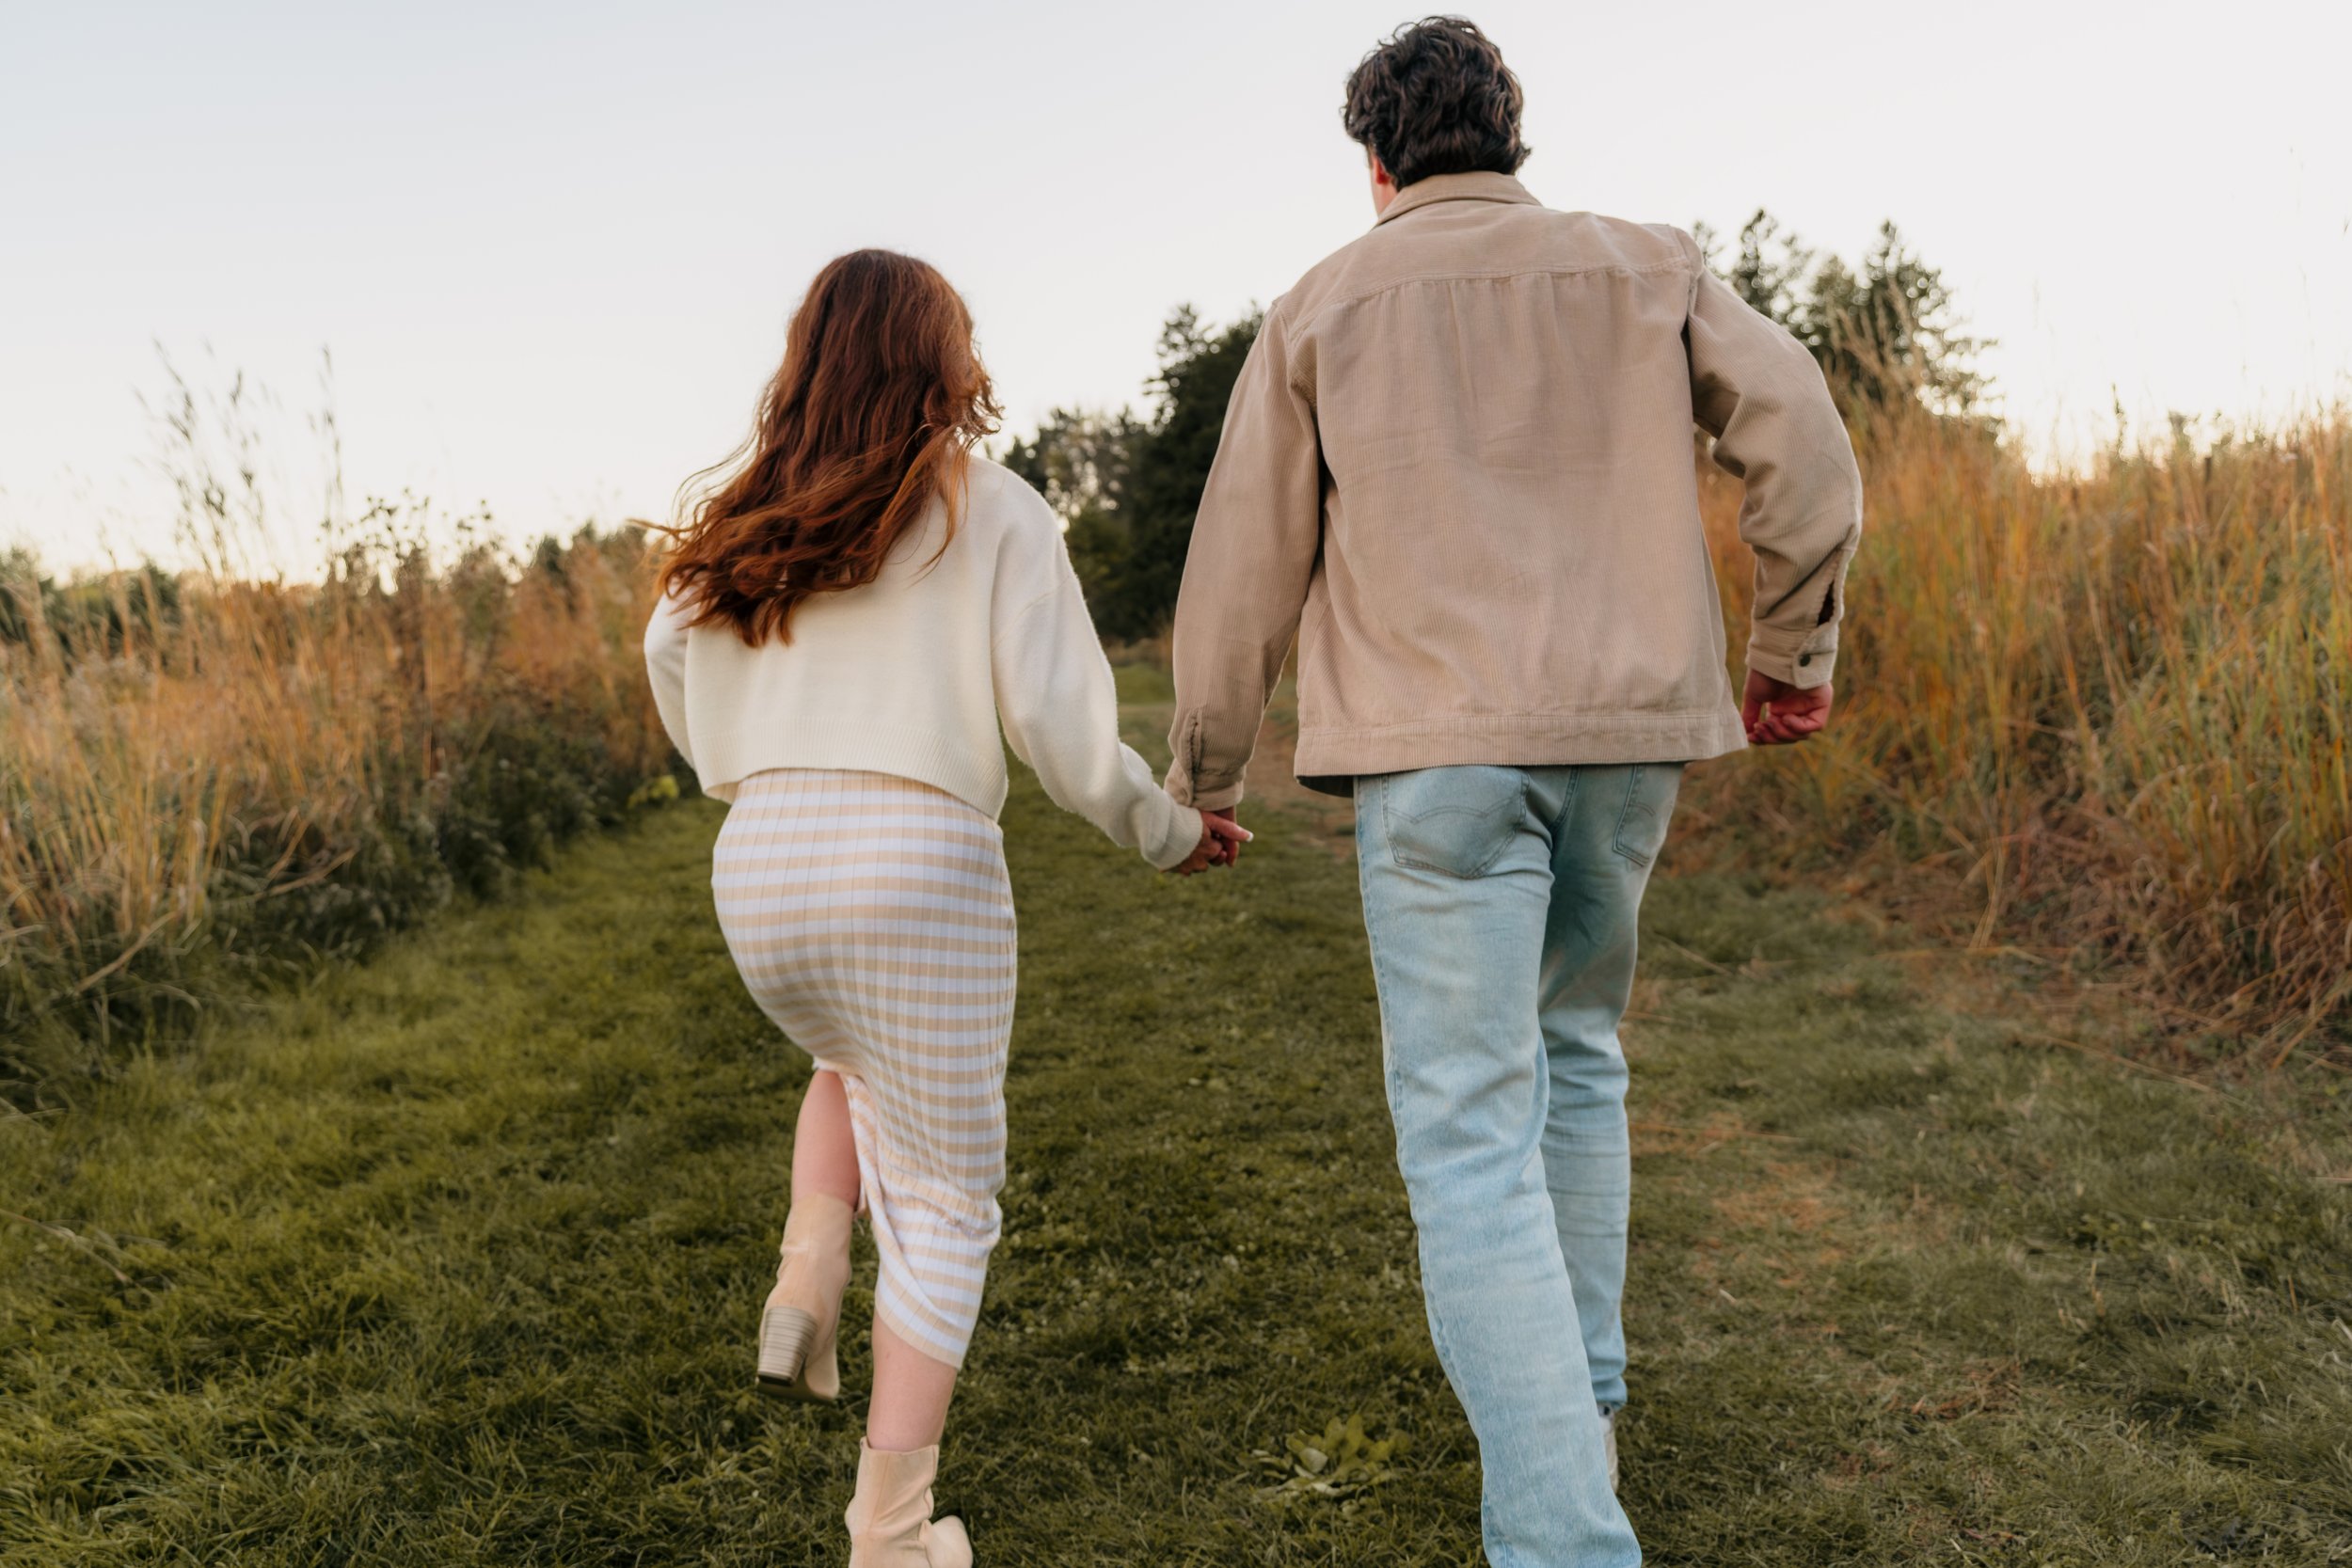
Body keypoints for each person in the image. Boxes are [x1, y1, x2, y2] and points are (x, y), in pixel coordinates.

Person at [1161, 18, 1864, 1566]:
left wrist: (1203, 776)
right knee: (1580, 1054)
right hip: (1626, 742)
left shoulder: (1319, 308)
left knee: (1469, 1134)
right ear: (1511, 135)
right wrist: (1790, 650)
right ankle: (1584, 1407)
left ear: (1375, 162)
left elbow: (1237, 571)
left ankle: (1564, 1539)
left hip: (1433, 762)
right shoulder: (1647, 264)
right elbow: (1807, 446)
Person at [644, 248, 1244, 1567]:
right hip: (917, 862)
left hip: (761, 860)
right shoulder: (990, 508)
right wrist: (1167, 830)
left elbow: (668, 652)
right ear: (944, 363)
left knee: (845, 1059)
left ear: (808, 361)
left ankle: (810, 1263)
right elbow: (1062, 727)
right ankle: (893, 1536)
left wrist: (736, 770)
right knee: (947, 1199)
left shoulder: (745, 519)